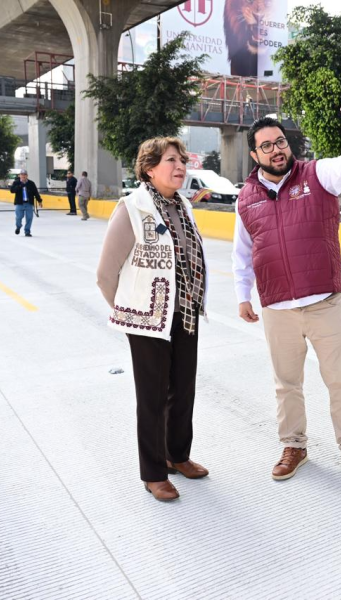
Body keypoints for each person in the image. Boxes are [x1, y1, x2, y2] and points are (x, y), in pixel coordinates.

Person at [232, 97, 341, 486]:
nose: (276, 150)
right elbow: (242, 251)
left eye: (280, 142)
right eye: (266, 145)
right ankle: (293, 445)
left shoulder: (317, 174)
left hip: (324, 302)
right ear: (254, 155)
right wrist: (243, 295)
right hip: (277, 307)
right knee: (286, 384)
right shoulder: (246, 197)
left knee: (340, 380)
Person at [96, 137, 209, 502]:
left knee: (183, 390)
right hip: (146, 320)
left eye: (183, 160)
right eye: (171, 160)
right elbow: (105, 274)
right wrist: (129, 310)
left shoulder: (183, 206)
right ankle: (154, 472)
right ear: (149, 168)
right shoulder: (132, 208)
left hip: (184, 313)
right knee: (152, 398)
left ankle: (177, 455)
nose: (181, 167)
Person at [10, 169, 43, 237]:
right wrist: (20, 185)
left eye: (25, 175)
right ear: (19, 176)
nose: (23, 176)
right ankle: (18, 226)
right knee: (19, 217)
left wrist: (39, 200)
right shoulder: (16, 182)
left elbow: (36, 193)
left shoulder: (31, 183)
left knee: (29, 218)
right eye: (22, 175)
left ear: (27, 176)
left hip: (29, 203)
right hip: (20, 203)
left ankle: (27, 231)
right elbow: (12, 190)